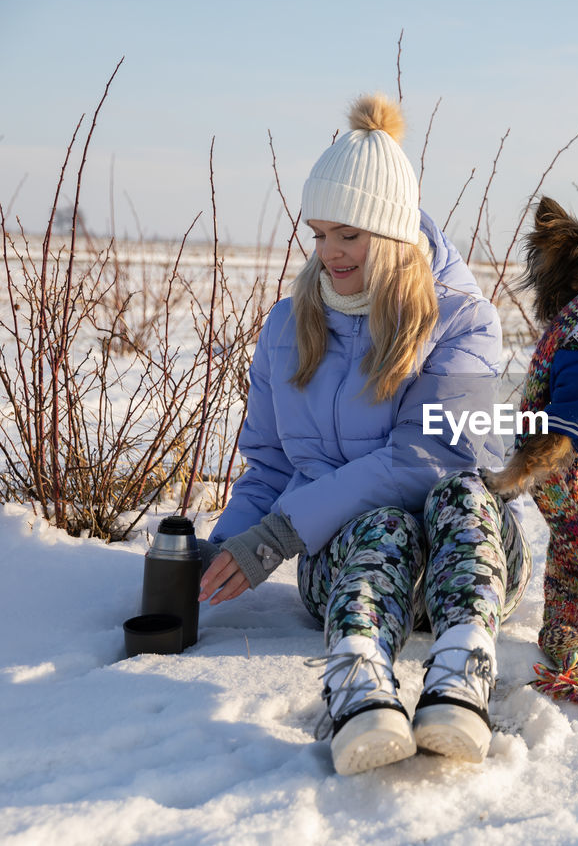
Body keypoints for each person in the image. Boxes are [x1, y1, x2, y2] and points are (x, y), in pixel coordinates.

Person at [197, 93, 529, 776]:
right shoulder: (288, 326)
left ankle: (461, 678)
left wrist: (285, 530)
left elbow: (431, 453)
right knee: (381, 524)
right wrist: (227, 548)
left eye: (348, 234)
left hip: (468, 556)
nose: (329, 254)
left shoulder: (464, 321)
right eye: (319, 234)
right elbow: (265, 462)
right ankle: (358, 684)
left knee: (461, 489)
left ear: (391, 230)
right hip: (352, 565)